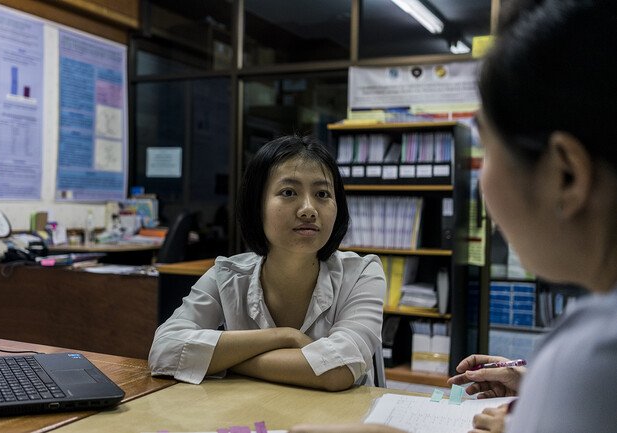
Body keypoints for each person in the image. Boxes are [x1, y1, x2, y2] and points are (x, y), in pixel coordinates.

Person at [291, 0, 617, 431]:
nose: (482, 186)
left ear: (567, 175)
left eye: (488, 148)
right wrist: (539, 389)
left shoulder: (594, 355)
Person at [148, 134, 385, 391]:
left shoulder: (362, 274)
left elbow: (338, 370)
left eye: (322, 193)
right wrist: (285, 337)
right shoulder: (226, 276)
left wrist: (224, 359)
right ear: (256, 205)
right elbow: (164, 351)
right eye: (288, 192)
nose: (308, 209)